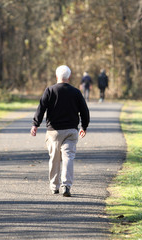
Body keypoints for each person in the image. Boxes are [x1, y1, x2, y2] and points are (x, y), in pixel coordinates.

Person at [30, 65, 90, 197]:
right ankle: (66, 185)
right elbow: (84, 111)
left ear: (56, 76)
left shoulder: (50, 90)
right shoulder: (76, 92)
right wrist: (84, 127)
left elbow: (41, 108)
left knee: (54, 158)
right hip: (71, 131)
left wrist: (35, 124)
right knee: (68, 157)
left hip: (54, 132)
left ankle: (54, 186)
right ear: (69, 77)